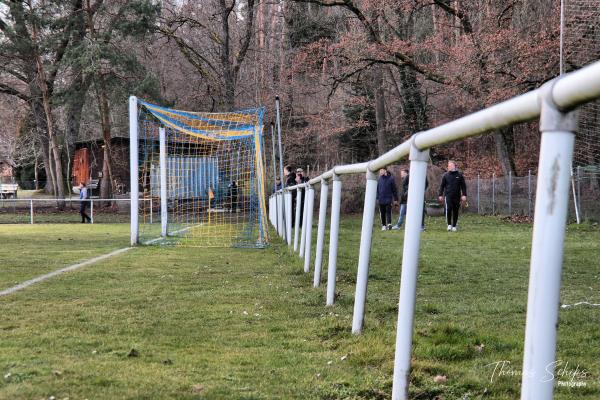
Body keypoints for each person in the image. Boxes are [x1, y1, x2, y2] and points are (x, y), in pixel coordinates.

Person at [438, 160, 467, 232]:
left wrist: (464, 195)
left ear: (454, 166)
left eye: (450, 165)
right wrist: (440, 194)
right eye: (448, 166)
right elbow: (442, 186)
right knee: (449, 208)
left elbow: (463, 186)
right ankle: (449, 225)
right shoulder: (446, 175)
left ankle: (454, 226)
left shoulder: (459, 175)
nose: (449, 167)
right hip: (448, 196)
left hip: (457, 196)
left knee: (455, 210)